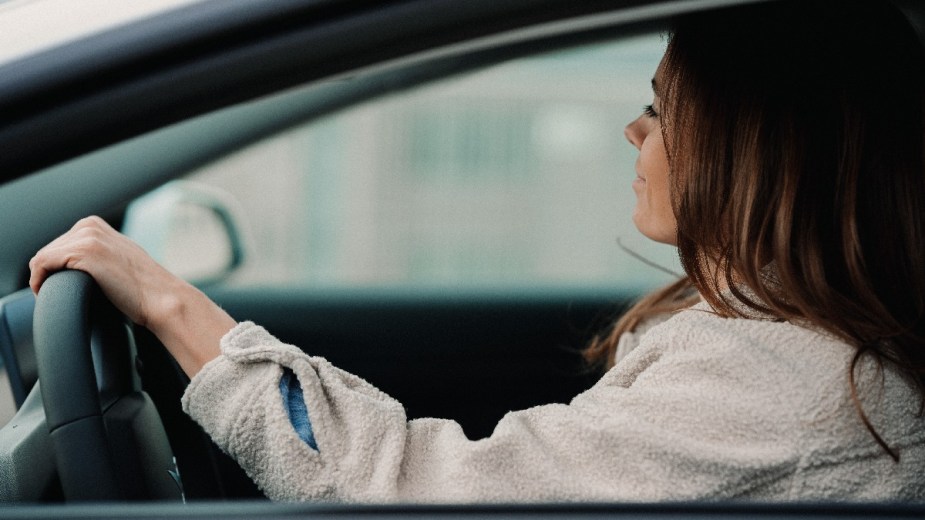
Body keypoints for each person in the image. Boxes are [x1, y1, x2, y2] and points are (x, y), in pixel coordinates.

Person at [27, 0, 925, 503]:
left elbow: (414, 496)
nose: (632, 130)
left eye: (662, 108)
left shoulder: (788, 378)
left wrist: (171, 305)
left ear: (751, 147)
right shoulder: (792, 350)